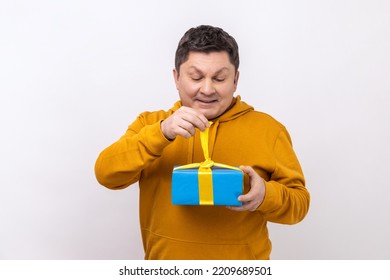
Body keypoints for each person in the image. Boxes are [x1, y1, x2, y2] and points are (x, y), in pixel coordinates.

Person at [95, 25, 310, 260]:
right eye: (196, 77)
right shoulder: (151, 124)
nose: (207, 89)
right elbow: (106, 174)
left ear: (235, 80)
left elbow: (299, 204)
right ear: (176, 78)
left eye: (219, 78)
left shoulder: (269, 130)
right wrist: (161, 133)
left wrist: (265, 195)